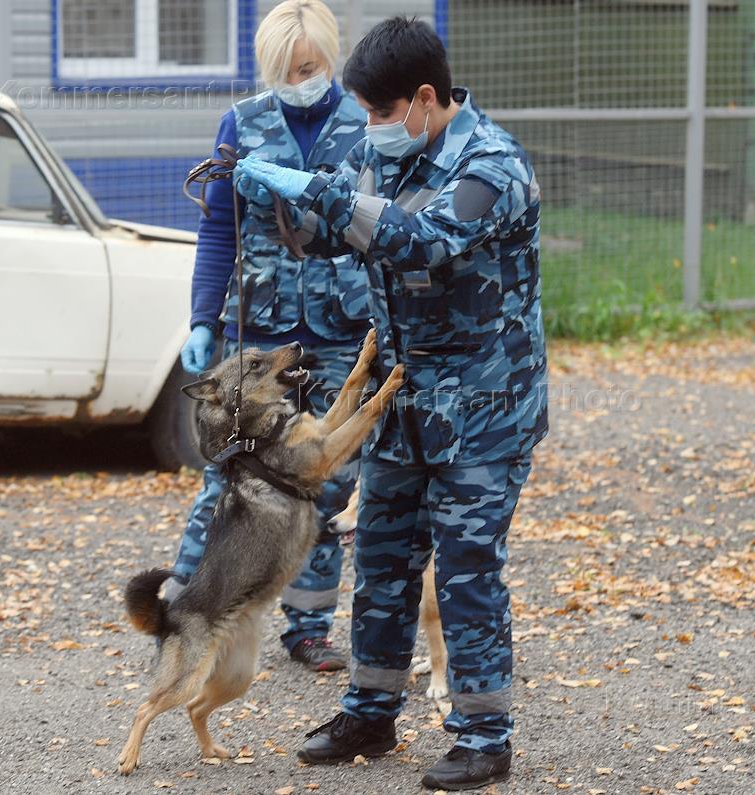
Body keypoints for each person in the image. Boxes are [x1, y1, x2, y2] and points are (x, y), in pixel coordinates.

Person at [233, 17, 547, 791]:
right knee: (380, 560)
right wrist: (276, 191)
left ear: (425, 100)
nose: (369, 129)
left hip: (483, 409)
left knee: (468, 569)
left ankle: (482, 734)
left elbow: (422, 239)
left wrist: (317, 194)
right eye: (365, 114)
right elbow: (333, 231)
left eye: (380, 113)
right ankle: (370, 711)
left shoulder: (493, 167)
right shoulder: (385, 155)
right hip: (403, 402)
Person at [169, 0, 370, 673]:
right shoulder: (243, 122)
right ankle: (187, 600)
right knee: (232, 472)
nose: (298, 79)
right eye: (285, 71)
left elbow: (385, 226)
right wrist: (203, 318)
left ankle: (308, 624)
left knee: (325, 479)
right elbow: (219, 229)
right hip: (265, 330)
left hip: (342, 323)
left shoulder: (364, 123)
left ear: (329, 59)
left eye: (308, 68)